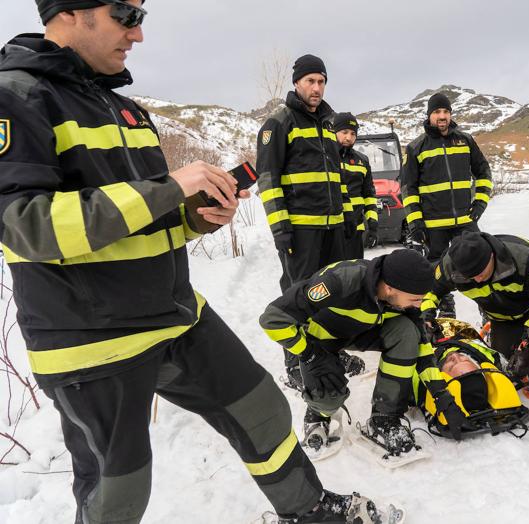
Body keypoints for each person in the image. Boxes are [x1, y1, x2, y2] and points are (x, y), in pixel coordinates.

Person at [0, 2, 376, 522]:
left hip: (175, 314)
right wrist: (172, 186)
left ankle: (309, 510)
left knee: (261, 409)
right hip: (89, 337)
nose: (138, 34)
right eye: (126, 14)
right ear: (72, 10)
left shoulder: (124, 108)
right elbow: (24, 224)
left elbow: (142, 215)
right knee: (120, 492)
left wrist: (197, 217)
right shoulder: (17, 95)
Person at [260, 249, 466, 456]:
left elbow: (421, 346)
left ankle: (383, 418)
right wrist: (309, 354)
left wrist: (440, 394)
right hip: (321, 339)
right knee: (328, 398)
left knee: (408, 332)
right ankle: (317, 413)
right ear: (389, 287)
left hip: (362, 331)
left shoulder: (404, 295)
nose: (420, 305)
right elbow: (272, 319)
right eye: (415, 299)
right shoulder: (339, 281)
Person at [256, 54, 362, 390]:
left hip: (333, 229)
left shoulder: (329, 125)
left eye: (321, 81)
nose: (316, 88)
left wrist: (346, 217)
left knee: (332, 292)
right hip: (300, 232)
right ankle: (295, 363)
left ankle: (330, 353)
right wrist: (280, 229)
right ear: (297, 83)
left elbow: (337, 179)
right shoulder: (279, 123)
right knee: (298, 297)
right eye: (310, 81)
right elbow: (268, 180)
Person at [400, 92, 493, 318]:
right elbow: (408, 188)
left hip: (465, 221)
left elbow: (483, 172)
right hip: (433, 224)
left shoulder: (465, 140)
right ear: (429, 115)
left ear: (450, 114)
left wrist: (480, 203)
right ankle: (443, 313)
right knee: (436, 271)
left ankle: (489, 309)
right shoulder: (416, 148)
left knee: (480, 264)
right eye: (437, 112)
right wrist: (416, 223)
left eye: (445, 111)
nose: (442, 116)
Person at [421, 230, 529, 375]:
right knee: (505, 367)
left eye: (481, 273)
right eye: (470, 277)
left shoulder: (524, 258)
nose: (478, 280)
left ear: (491, 256)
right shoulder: (450, 266)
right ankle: (492, 324)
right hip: (500, 318)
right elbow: (429, 292)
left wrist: (528, 343)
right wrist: (426, 318)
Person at [412, 319, 529, 439]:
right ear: (477, 365)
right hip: (458, 330)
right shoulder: (488, 358)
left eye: (451, 365)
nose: (455, 357)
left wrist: (420, 330)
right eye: (464, 360)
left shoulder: (419, 372)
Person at [334, 112, 378, 258]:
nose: (349, 137)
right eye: (344, 132)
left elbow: (369, 196)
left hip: (356, 230)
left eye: (353, 133)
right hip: (333, 230)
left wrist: (373, 226)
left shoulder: (362, 161)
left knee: (354, 275)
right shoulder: (326, 157)